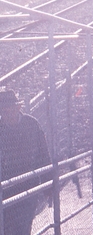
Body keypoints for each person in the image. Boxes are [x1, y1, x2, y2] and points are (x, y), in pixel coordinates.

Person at [0, 89, 51, 235]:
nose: (6, 113)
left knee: (22, 227)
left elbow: (43, 155)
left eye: (9, 109)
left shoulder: (31, 124)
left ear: (18, 107)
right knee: (6, 227)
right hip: (5, 188)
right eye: (3, 110)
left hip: (28, 184)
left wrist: (48, 184)